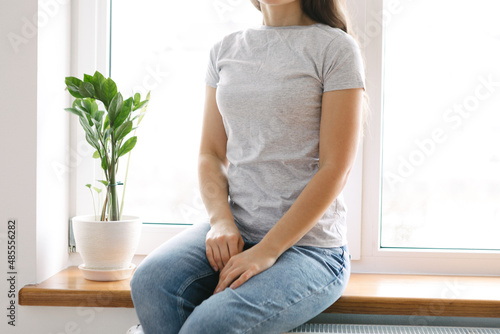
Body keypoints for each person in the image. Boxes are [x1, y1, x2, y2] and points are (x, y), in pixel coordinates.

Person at [129, 0, 365, 333]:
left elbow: (335, 169)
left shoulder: (335, 48)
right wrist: (221, 222)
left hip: (310, 249)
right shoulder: (224, 50)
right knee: (150, 281)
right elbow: (210, 153)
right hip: (239, 231)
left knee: (211, 325)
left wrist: (267, 251)